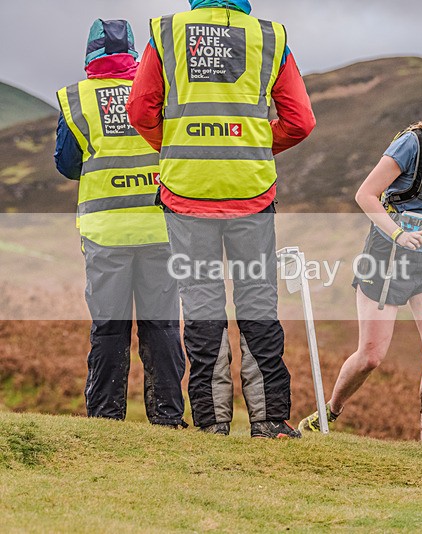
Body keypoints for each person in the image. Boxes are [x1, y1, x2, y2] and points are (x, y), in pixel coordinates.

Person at [127, 0, 315, 438]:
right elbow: (300, 121)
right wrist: (253, 146)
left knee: (201, 307)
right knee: (258, 305)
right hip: (251, 193)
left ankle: (212, 423)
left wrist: (172, 145)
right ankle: (269, 422)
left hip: (187, 193)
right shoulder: (270, 36)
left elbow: (139, 111)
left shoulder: (167, 31)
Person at [298, 76, 422, 442]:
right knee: (371, 356)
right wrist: (399, 233)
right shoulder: (411, 145)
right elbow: (365, 194)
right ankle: (330, 411)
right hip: (386, 256)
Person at [54, 19, 186, 427]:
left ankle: (105, 419)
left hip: (105, 233)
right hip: (158, 230)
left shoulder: (76, 98)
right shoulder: (158, 92)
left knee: (109, 327)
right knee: (161, 326)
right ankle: (167, 418)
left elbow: (67, 164)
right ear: (132, 51)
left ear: (90, 52)